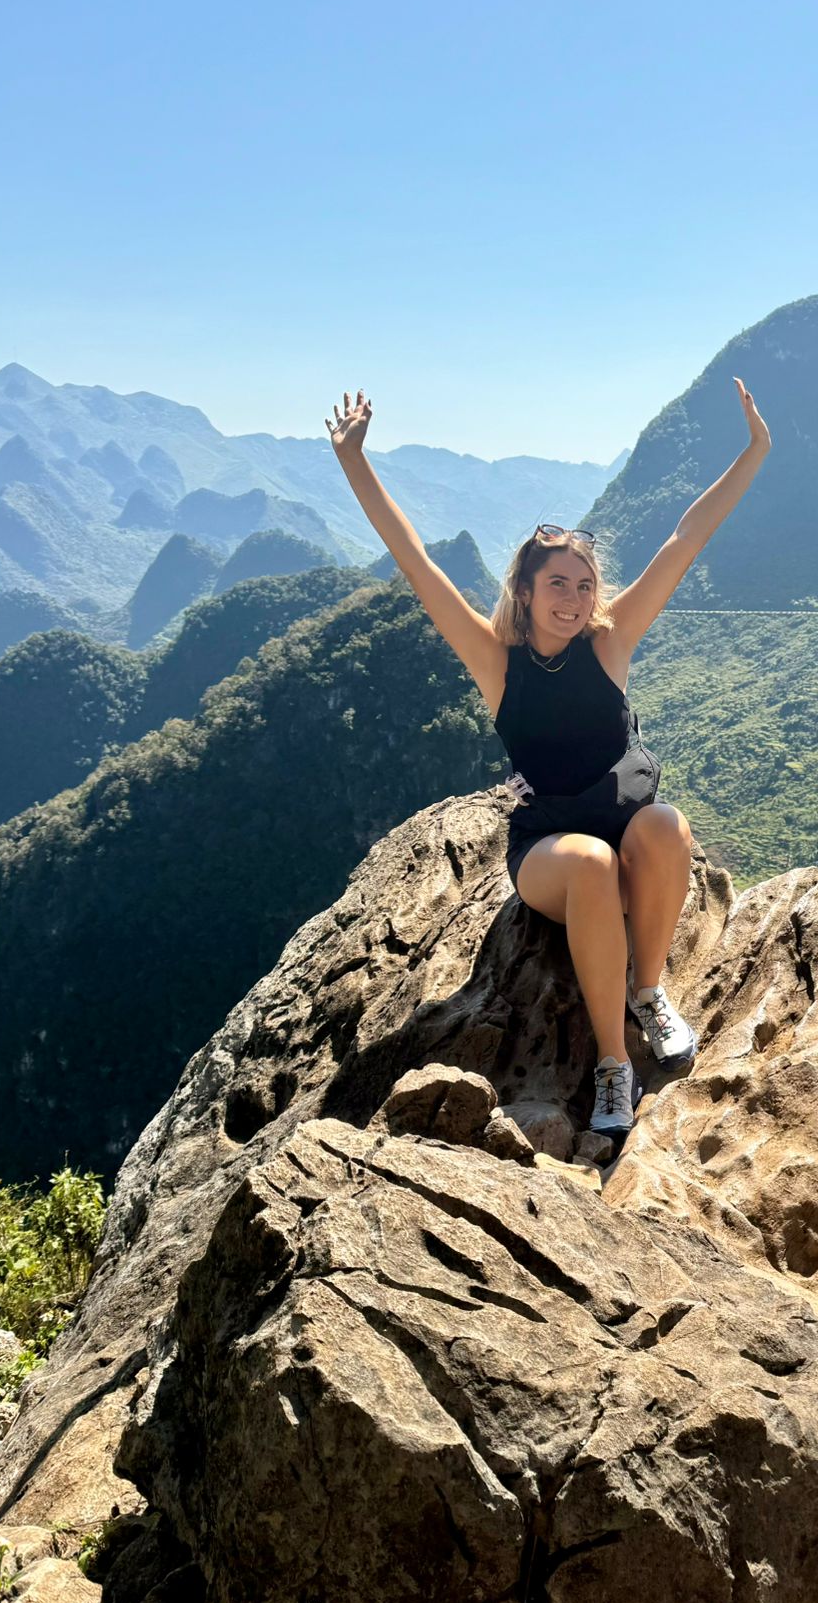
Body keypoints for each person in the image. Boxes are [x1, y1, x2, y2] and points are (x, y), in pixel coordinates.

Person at [326, 376, 771, 1143]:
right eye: (556, 583)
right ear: (525, 592)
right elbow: (415, 561)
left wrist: (754, 452)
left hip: (628, 832)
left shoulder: (612, 641)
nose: (573, 596)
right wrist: (354, 462)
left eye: (584, 584)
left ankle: (648, 992)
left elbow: (684, 540)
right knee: (593, 863)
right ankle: (612, 1066)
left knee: (666, 826)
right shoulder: (496, 663)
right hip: (552, 853)